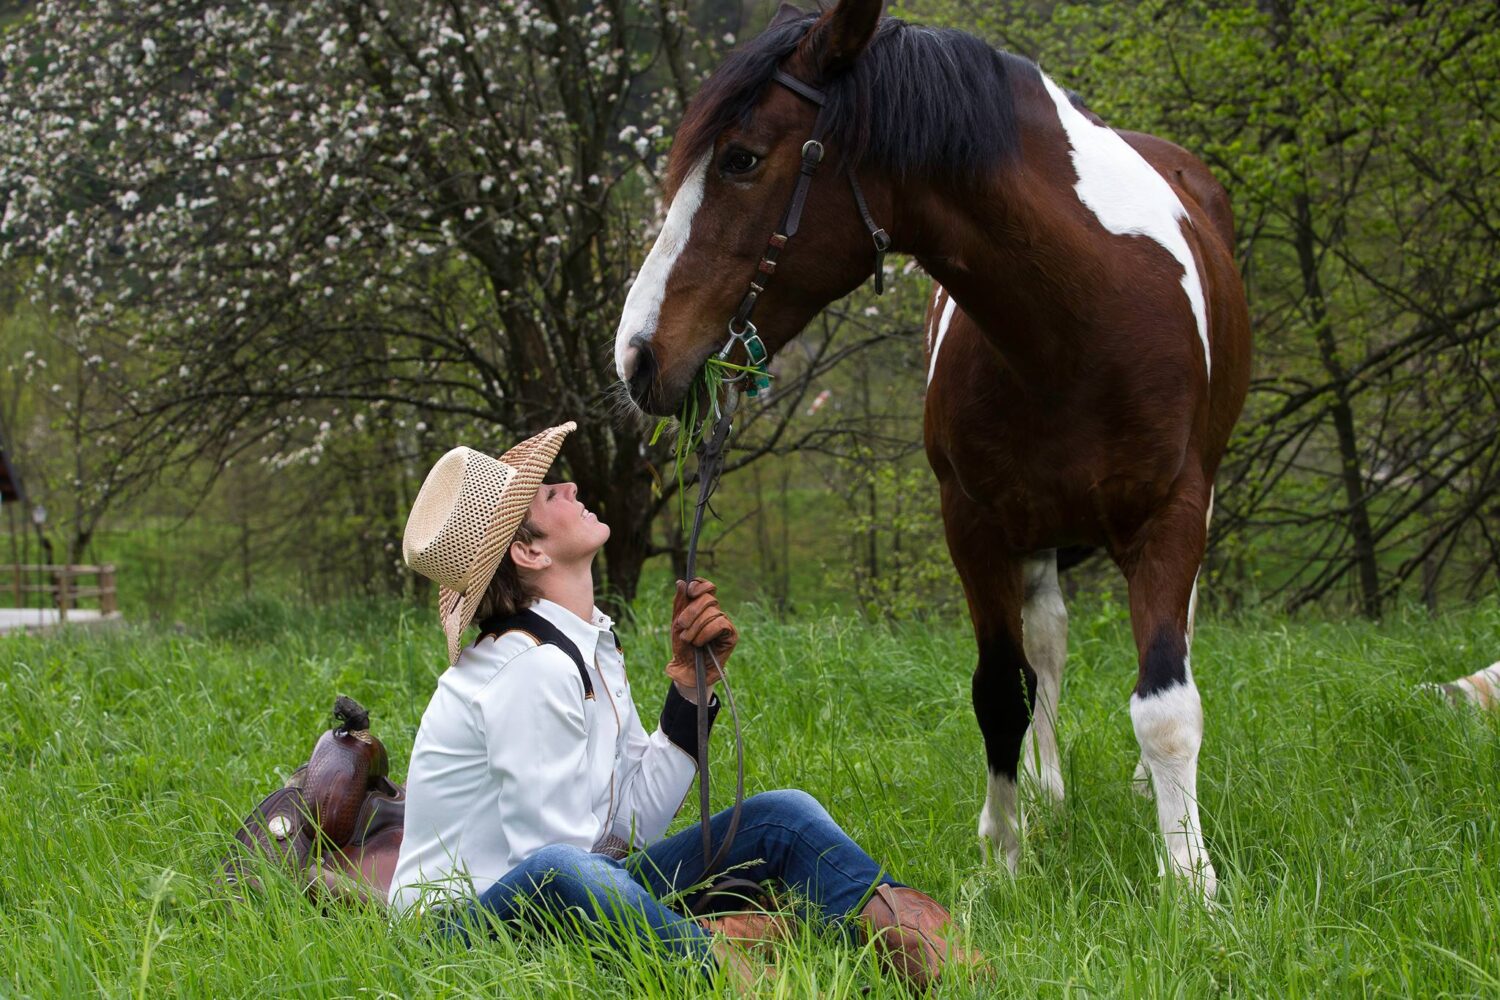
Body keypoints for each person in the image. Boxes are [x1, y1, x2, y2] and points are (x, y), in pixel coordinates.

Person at [389, 422, 981, 991]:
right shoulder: (529, 669)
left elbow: (636, 825)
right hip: (458, 931)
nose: (570, 488)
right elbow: (555, 872)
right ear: (530, 553)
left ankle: (937, 965)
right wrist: (692, 906)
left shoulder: (586, 644)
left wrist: (690, 691)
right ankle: (731, 971)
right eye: (550, 493)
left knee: (783, 816)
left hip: (572, 886)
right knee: (571, 869)